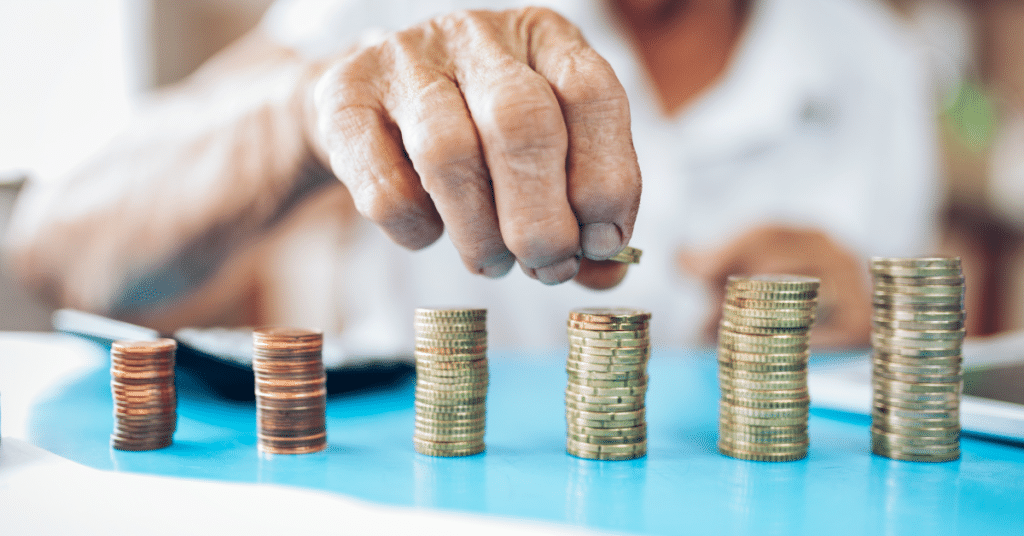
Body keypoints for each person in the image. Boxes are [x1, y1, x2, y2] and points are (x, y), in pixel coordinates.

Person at [4, 0, 941, 355]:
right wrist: (304, 111)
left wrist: (861, 307)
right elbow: (47, 250)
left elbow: (916, 328)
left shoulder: (877, 58)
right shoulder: (397, 10)